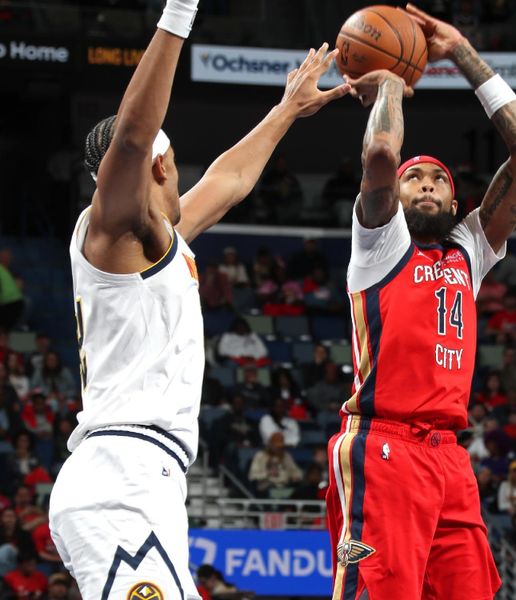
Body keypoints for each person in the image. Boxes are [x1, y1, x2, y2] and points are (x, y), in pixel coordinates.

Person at [47, 2, 349, 596]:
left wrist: (287, 108)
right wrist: (180, 11)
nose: (186, 177)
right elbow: (132, 137)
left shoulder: (162, 241)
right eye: (177, 164)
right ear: (159, 164)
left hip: (145, 479)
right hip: (121, 477)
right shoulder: (108, 232)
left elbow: (231, 180)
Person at [326, 4, 516, 598]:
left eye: (439, 180)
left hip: (449, 456)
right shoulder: (379, 242)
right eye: (413, 177)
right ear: (396, 198)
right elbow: (378, 158)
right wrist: (392, 88)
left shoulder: (470, 248)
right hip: (383, 443)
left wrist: (464, 55)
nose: (425, 183)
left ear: (456, 203)